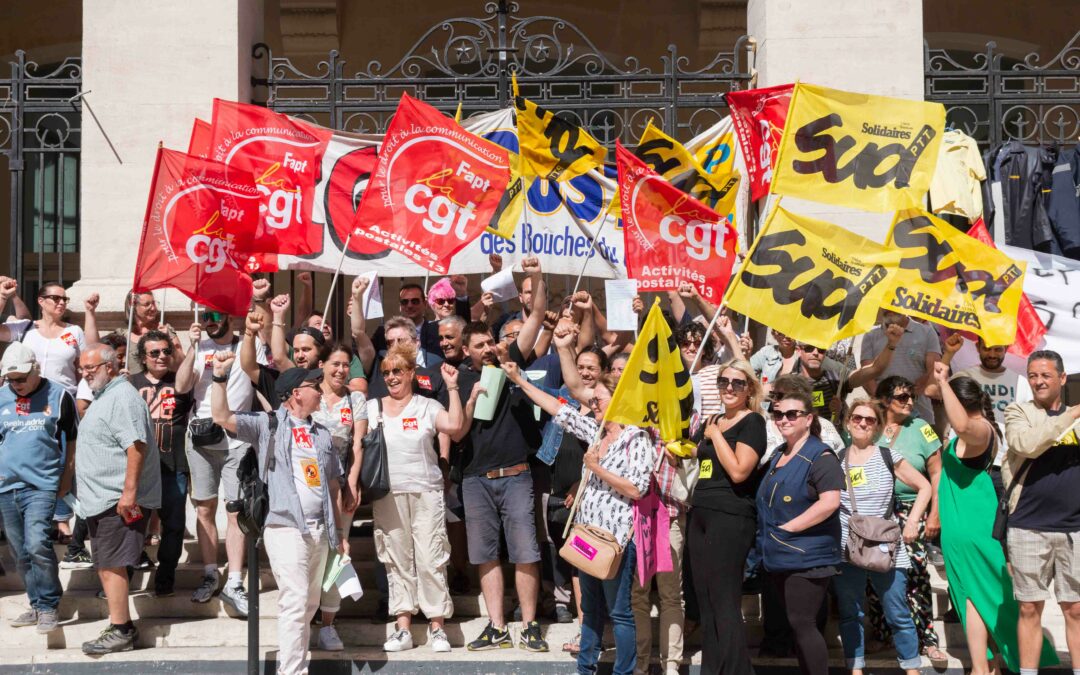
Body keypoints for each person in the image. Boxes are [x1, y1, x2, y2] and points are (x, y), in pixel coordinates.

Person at [503, 361, 655, 675]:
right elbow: (559, 410)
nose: (592, 404)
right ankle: (585, 668)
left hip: (616, 541)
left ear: (618, 400)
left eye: (598, 399)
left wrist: (597, 467)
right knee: (590, 608)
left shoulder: (636, 439)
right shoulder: (598, 433)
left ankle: (623, 672)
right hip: (587, 535)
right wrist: (519, 379)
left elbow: (637, 489)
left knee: (620, 612)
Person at [210, 357, 348, 675]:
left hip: (319, 530)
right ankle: (292, 671)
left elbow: (332, 486)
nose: (320, 390)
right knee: (296, 600)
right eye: (314, 386)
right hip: (285, 526)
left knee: (310, 603)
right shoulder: (268, 424)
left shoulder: (323, 434)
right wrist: (219, 377)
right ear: (296, 393)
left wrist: (338, 534)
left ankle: (293, 664)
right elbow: (221, 416)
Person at [933, 364, 1058, 674]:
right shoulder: (962, 430)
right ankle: (988, 664)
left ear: (960, 403)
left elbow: (962, 427)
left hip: (977, 526)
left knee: (991, 595)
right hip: (956, 528)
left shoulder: (983, 429)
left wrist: (943, 382)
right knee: (969, 598)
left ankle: (992, 664)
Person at [454, 256, 549, 653]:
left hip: (516, 474)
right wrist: (472, 397)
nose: (487, 348)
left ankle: (528, 625)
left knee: (526, 550)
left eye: (489, 341)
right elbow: (457, 431)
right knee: (485, 555)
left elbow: (539, 313)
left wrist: (535, 275)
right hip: (476, 478)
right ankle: (496, 626)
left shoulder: (514, 364)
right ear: (466, 352)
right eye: (478, 346)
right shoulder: (458, 379)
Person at [368, 344, 473, 653]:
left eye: (397, 371)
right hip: (388, 494)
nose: (391, 377)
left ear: (411, 373)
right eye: (386, 372)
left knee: (430, 559)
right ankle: (402, 628)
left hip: (426, 491)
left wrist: (453, 389)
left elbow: (454, 428)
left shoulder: (427, 406)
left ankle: (437, 627)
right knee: (396, 560)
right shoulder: (373, 408)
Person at [74, 344, 160, 655]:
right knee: (108, 564)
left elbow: (136, 447)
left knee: (111, 564)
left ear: (110, 367)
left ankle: (122, 629)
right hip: (104, 499)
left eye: (91, 368)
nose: (85, 373)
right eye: (82, 368)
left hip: (117, 500)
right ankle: (118, 623)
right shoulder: (105, 396)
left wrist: (129, 493)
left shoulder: (122, 397)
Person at [834, 400, 930, 675]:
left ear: (877, 426)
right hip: (847, 548)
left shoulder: (889, 455)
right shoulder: (836, 458)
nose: (862, 423)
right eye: (857, 418)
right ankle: (855, 667)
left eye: (869, 419)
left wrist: (913, 521)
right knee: (851, 613)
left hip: (886, 547)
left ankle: (912, 668)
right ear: (848, 421)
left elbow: (924, 486)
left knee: (897, 612)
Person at [1002, 350, 1080, 675]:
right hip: (1028, 526)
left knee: (1076, 609)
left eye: (1046, 375)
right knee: (1029, 607)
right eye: (1033, 375)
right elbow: (1027, 443)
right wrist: (1070, 416)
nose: (1038, 381)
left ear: (1062, 378)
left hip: (1074, 527)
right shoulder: (1017, 411)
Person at [756, 390, 844, 675]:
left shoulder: (821, 455)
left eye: (792, 414)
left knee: (803, 624)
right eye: (778, 414)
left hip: (807, 555)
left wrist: (788, 529)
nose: (784, 419)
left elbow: (830, 502)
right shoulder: (778, 454)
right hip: (779, 554)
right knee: (798, 626)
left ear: (808, 419)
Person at [687, 360, 767, 675]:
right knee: (705, 602)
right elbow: (700, 455)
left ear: (750, 388)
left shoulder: (753, 422)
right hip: (702, 509)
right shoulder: (713, 419)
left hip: (731, 515)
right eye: (723, 382)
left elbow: (738, 471)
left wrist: (716, 435)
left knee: (724, 601)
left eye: (737, 382)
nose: (729, 388)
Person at [174, 311, 253, 614]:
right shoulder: (201, 346)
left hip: (237, 436)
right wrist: (192, 346)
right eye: (206, 316)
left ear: (230, 318)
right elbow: (181, 387)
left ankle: (234, 581)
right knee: (204, 508)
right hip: (202, 438)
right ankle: (210, 574)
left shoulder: (248, 344)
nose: (209, 320)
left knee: (235, 510)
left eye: (216, 315)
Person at [0, 343, 78, 634]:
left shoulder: (59, 395)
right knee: (20, 552)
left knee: (37, 545)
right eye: (11, 380)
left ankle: (48, 606)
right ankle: (35, 603)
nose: (16, 385)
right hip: (7, 487)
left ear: (36, 369)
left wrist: (67, 477)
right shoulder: (1, 397)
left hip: (41, 486)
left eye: (21, 378)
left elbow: (71, 439)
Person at [866, 375, 944, 661]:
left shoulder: (921, 428)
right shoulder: (870, 426)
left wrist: (933, 514)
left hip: (912, 509)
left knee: (916, 575)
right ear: (885, 400)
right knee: (876, 574)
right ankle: (882, 632)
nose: (910, 402)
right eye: (902, 397)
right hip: (877, 512)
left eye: (911, 396)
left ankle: (928, 638)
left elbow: (937, 473)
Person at [310, 342, 368, 650]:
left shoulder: (355, 398)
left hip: (342, 484)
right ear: (322, 364)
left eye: (346, 365)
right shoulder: (308, 394)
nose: (340, 370)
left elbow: (358, 444)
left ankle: (328, 625)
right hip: (307, 488)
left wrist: (352, 484)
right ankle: (305, 616)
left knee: (337, 552)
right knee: (309, 552)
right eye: (335, 364)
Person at [129, 331, 194, 597]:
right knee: (133, 527)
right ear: (143, 358)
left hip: (173, 465)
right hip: (140, 469)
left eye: (166, 351)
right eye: (154, 352)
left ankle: (165, 580)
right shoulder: (130, 383)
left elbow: (191, 373)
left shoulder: (180, 381)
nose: (161, 357)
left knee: (174, 526)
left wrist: (191, 345)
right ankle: (124, 579)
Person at [944, 334, 1022, 491]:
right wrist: (948, 354)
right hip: (963, 464)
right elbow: (932, 390)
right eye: (987, 348)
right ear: (977, 347)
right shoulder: (964, 377)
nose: (992, 354)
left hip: (1003, 467)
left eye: (998, 349)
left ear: (1006, 349)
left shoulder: (1021, 382)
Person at [0, 282, 98, 396]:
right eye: (56, 298)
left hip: (62, 399)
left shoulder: (74, 331)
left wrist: (90, 311)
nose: (62, 302)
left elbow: (94, 352)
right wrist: (2, 297)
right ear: (41, 301)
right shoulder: (25, 327)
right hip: (27, 400)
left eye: (64, 299)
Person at [856, 311, 941, 425]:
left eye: (895, 302)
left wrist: (908, 397)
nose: (890, 308)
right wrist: (886, 403)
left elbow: (934, 372)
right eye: (886, 302)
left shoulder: (927, 332)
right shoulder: (870, 335)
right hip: (883, 417)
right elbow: (867, 375)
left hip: (921, 417)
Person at [116, 291, 184, 373]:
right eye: (147, 304)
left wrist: (168, 340)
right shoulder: (122, 335)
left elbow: (182, 364)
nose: (153, 308)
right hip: (132, 384)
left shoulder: (164, 330)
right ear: (133, 306)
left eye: (154, 303)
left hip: (163, 385)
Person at [750, 329, 800, 398]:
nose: (786, 337)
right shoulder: (767, 352)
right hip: (766, 405)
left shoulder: (803, 355)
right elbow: (747, 372)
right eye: (781, 333)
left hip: (791, 405)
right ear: (774, 334)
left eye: (791, 333)